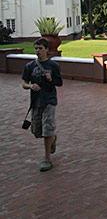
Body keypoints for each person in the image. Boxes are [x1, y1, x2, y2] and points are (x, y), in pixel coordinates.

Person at [21, 38, 63, 172]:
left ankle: (46, 159)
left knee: (47, 128)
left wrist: (51, 79)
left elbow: (59, 82)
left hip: (49, 100)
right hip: (36, 102)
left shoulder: (53, 66)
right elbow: (24, 83)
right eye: (36, 48)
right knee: (36, 131)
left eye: (40, 48)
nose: (37, 51)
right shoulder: (30, 66)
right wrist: (30, 86)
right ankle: (52, 138)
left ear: (46, 50)